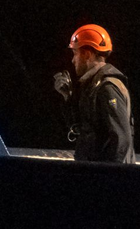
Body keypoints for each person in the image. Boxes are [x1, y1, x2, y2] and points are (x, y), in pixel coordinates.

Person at [53, 24, 135, 163]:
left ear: (87, 54)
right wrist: (68, 99)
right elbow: (81, 129)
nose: (73, 60)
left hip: (103, 177)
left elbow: (121, 139)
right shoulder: (93, 86)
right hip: (92, 171)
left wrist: (111, 177)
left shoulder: (107, 87)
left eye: (75, 53)